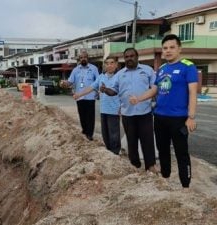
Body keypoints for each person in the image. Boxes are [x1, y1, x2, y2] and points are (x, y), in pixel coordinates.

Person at [129, 34, 198, 190]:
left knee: (181, 153)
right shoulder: (161, 69)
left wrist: (191, 117)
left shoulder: (188, 66)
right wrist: (138, 98)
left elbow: (193, 93)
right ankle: (165, 180)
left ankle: (185, 186)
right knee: (163, 150)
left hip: (179, 119)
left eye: (172, 47)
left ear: (179, 48)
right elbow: (154, 89)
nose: (168, 51)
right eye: (165, 48)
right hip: (160, 117)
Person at [100, 48, 157, 172]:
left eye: (132, 56)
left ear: (137, 57)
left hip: (145, 113)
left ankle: (150, 166)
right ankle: (135, 165)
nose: (129, 58)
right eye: (126, 57)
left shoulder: (147, 71)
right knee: (132, 141)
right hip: (127, 114)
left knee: (147, 140)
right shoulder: (120, 74)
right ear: (124, 59)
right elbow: (114, 90)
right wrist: (105, 90)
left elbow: (154, 88)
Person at [73, 56, 121, 154]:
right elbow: (91, 87)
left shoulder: (120, 77)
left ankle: (115, 154)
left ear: (116, 64)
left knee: (114, 135)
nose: (109, 65)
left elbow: (124, 92)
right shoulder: (101, 77)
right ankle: (109, 154)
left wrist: (123, 106)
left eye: (112, 63)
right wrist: (79, 94)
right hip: (103, 110)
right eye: (107, 63)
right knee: (105, 135)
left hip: (114, 110)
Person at [61, 50, 99, 141]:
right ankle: (85, 130)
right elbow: (70, 82)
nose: (83, 59)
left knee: (90, 116)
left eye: (85, 57)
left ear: (88, 58)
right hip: (79, 96)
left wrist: (98, 92)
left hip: (90, 96)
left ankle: (90, 134)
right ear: (79, 59)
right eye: (81, 58)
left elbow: (98, 81)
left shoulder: (94, 68)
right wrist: (65, 83)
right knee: (82, 115)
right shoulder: (75, 70)